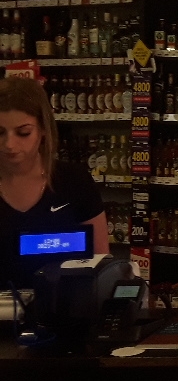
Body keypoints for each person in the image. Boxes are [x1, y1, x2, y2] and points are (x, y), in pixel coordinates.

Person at [0, 77, 108, 288]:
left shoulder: (74, 180)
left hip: (65, 306)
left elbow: (101, 263)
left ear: (43, 129)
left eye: (23, 133)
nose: (9, 144)